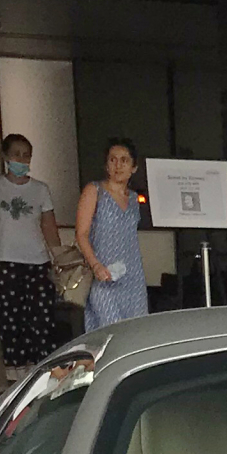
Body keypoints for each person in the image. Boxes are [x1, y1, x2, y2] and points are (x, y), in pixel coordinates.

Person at [0, 133, 62, 373]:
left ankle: (40, 371)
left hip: (37, 261)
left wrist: (59, 258)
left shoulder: (40, 189)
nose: (21, 159)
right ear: (6, 156)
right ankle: (13, 372)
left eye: (26, 155)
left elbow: (49, 226)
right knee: (10, 320)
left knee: (41, 319)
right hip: (4, 259)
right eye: (16, 154)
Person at [77, 139, 149, 330]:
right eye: (113, 160)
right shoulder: (94, 190)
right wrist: (95, 265)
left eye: (124, 160)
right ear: (106, 165)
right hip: (103, 275)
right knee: (110, 333)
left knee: (136, 334)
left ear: (133, 167)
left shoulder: (134, 198)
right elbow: (82, 234)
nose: (118, 165)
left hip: (132, 277)